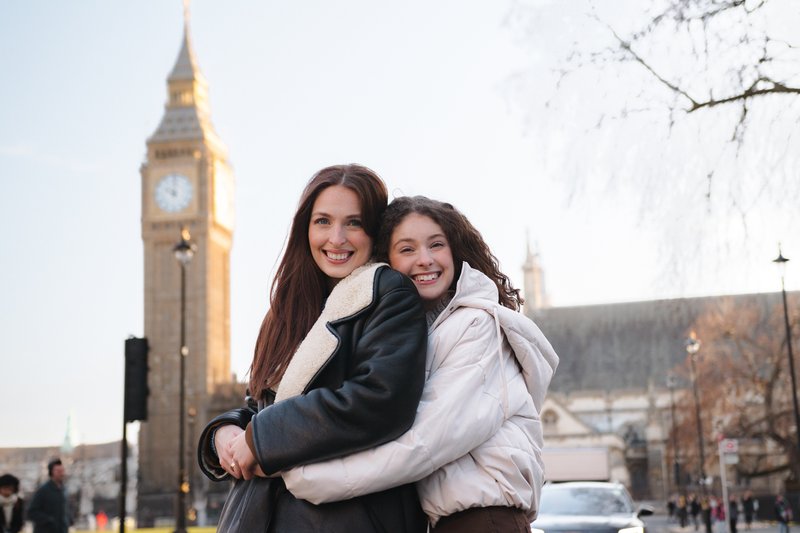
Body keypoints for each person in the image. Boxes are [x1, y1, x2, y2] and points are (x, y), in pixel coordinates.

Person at [282, 195, 559, 531]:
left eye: (436, 245)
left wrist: (304, 477)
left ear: (455, 251)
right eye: (407, 249)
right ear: (388, 263)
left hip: (485, 519)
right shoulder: (424, 333)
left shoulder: (476, 325)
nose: (425, 260)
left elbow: (425, 442)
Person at [197, 165, 429, 532]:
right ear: (305, 228)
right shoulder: (285, 311)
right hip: (258, 514)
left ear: (374, 231)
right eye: (323, 221)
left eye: (353, 223)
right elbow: (260, 406)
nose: (336, 238)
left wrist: (261, 439)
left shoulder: (388, 292)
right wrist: (223, 433)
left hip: (344, 519)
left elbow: (381, 399)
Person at [27, 459, 70, 533]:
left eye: (62, 470)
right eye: (58, 471)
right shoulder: (43, 490)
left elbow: (65, 509)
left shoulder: (64, 489)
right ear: (51, 472)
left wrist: (69, 520)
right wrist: (49, 520)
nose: (62, 473)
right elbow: (32, 512)